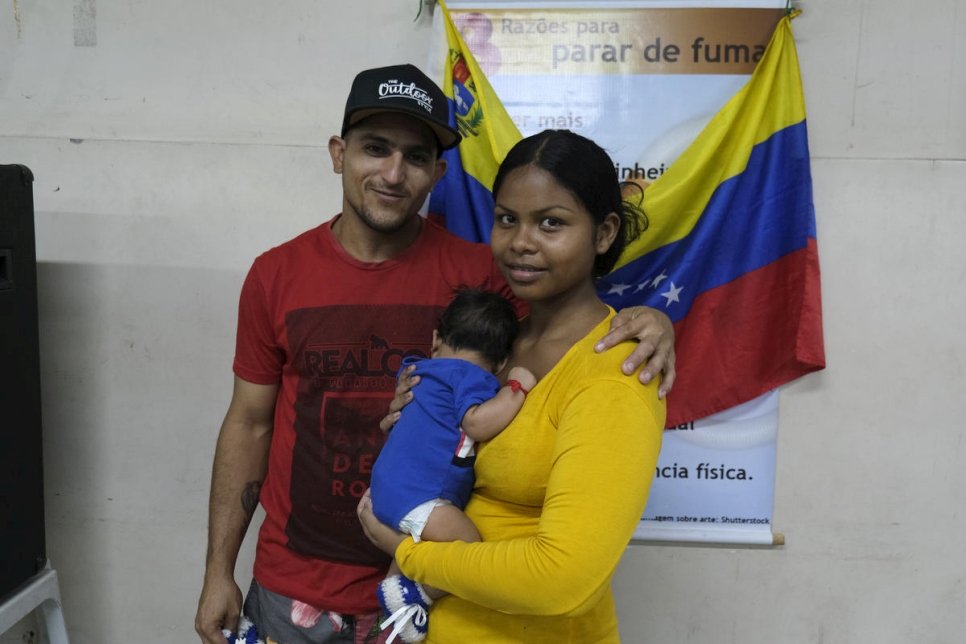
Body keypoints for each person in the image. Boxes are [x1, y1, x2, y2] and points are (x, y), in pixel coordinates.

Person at [195, 63, 675, 644]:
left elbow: (573, 334)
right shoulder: (277, 275)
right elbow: (249, 424)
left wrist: (656, 319)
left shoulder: (485, 279)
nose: (393, 174)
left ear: (438, 173)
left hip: (421, 591)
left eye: (416, 157)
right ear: (338, 153)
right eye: (375, 148)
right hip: (297, 586)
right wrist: (218, 569)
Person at [357, 129, 667, 644]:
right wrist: (416, 420)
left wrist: (408, 553)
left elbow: (560, 580)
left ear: (605, 232)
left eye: (551, 223)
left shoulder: (617, 375)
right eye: (508, 219)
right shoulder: (498, 348)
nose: (521, 242)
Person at [369, 288, 536, 643]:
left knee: (416, 546)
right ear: (502, 360)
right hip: (422, 494)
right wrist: (517, 389)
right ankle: (419, 598)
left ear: (435, 340)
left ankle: (392, 599)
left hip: (388, 486)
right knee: (468, 543)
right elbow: (476, 423)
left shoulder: (419, 372)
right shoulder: (472, 379)